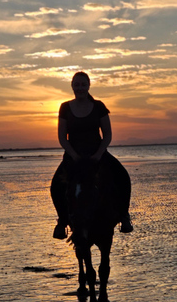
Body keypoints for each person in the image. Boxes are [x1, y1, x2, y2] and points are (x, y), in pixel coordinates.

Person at [50, 71, 133, 239]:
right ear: (72, 86)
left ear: (89, 86)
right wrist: (73, 155)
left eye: (83, 84)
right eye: (77, 85)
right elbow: (62, 137)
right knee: (55, 186)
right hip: (74, 157)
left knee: (123, 177)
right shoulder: (65, 107)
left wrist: (98, 154)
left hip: (97, 154)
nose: (80, 88)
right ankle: (62, 222)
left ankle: (124, 216)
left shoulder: (99, 106)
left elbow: (107, 135)